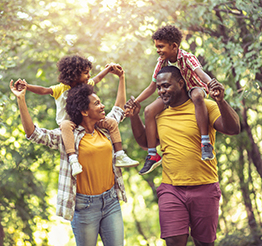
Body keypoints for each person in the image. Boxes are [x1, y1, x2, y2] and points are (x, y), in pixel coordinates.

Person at [10, 71, 129, 246]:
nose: (103, 106)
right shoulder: (68, 136)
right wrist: (21, 99)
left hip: (111, 202)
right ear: (84, 111)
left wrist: (122, 78)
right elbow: (33, 133)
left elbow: (119, 108)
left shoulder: (106, 128)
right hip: (85, 206)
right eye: (97, 103)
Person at [126, 65, 240, 246]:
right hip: (172, 189)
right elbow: (145, 142)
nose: (162, 91)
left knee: (204, 243)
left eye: (166, 86)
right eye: (159, 88)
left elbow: (233, 129)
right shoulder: (159, 114)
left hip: (205, 186)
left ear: (181, 83)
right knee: (173, 241)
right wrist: (134, 117)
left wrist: (220, 101)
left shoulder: (204, 106)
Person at [16, 55, 138, 177]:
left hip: (110, 194)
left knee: (111, 122)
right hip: (68, 126)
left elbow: (99, 79)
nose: (102, 106)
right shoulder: (61, 89)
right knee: (65, 125)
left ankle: (120, 154)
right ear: (74, 74)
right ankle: (73, 159)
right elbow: (43, 90)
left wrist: (114, 71)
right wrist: (26, 89)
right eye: (86, 73)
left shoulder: (102, 126)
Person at [130, 25, 215, 175]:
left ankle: (205, 142)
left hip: (194, 87)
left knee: (196, 96)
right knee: (149, 111)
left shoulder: (187, 58)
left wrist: (211, 85)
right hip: (174, 93)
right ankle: (152, 154)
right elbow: (151, 87)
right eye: (156, 46)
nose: (158, 50)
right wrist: (135, 102)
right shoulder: (161, 61)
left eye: (161, 46)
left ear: (174, 46)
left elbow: (200, 73)